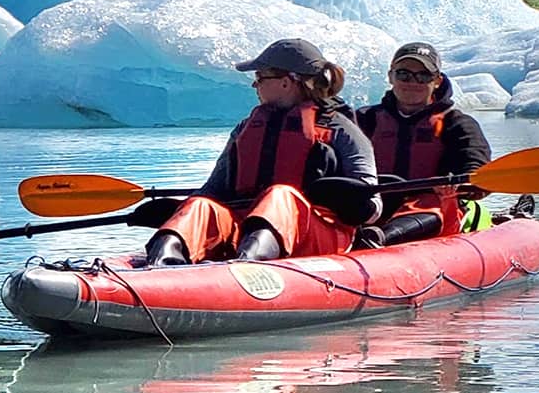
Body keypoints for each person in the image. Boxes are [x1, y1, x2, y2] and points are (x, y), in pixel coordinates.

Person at [142, 38, 381, 266]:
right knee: (200, 205)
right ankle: (161, 263)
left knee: (280, 196)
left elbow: (373, 205)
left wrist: (354, 203)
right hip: (246, 229)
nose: (255, 85)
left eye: (260, 77)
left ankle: (247, 267)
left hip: (316, 233)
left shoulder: (341, 129)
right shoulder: (246, 128)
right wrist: (176, 212)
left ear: (287, 82)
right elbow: (212, 192)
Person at [351, 41, 492, 248]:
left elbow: (476, 168)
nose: (413, 82)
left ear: (437, 81)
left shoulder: (457, 124)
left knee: (433, 206)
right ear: (391, 77)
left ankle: (378, 238)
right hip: (374, 206)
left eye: (423, 75)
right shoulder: (363, 119)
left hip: (432, 209)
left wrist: (457, 185)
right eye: (404, 74)